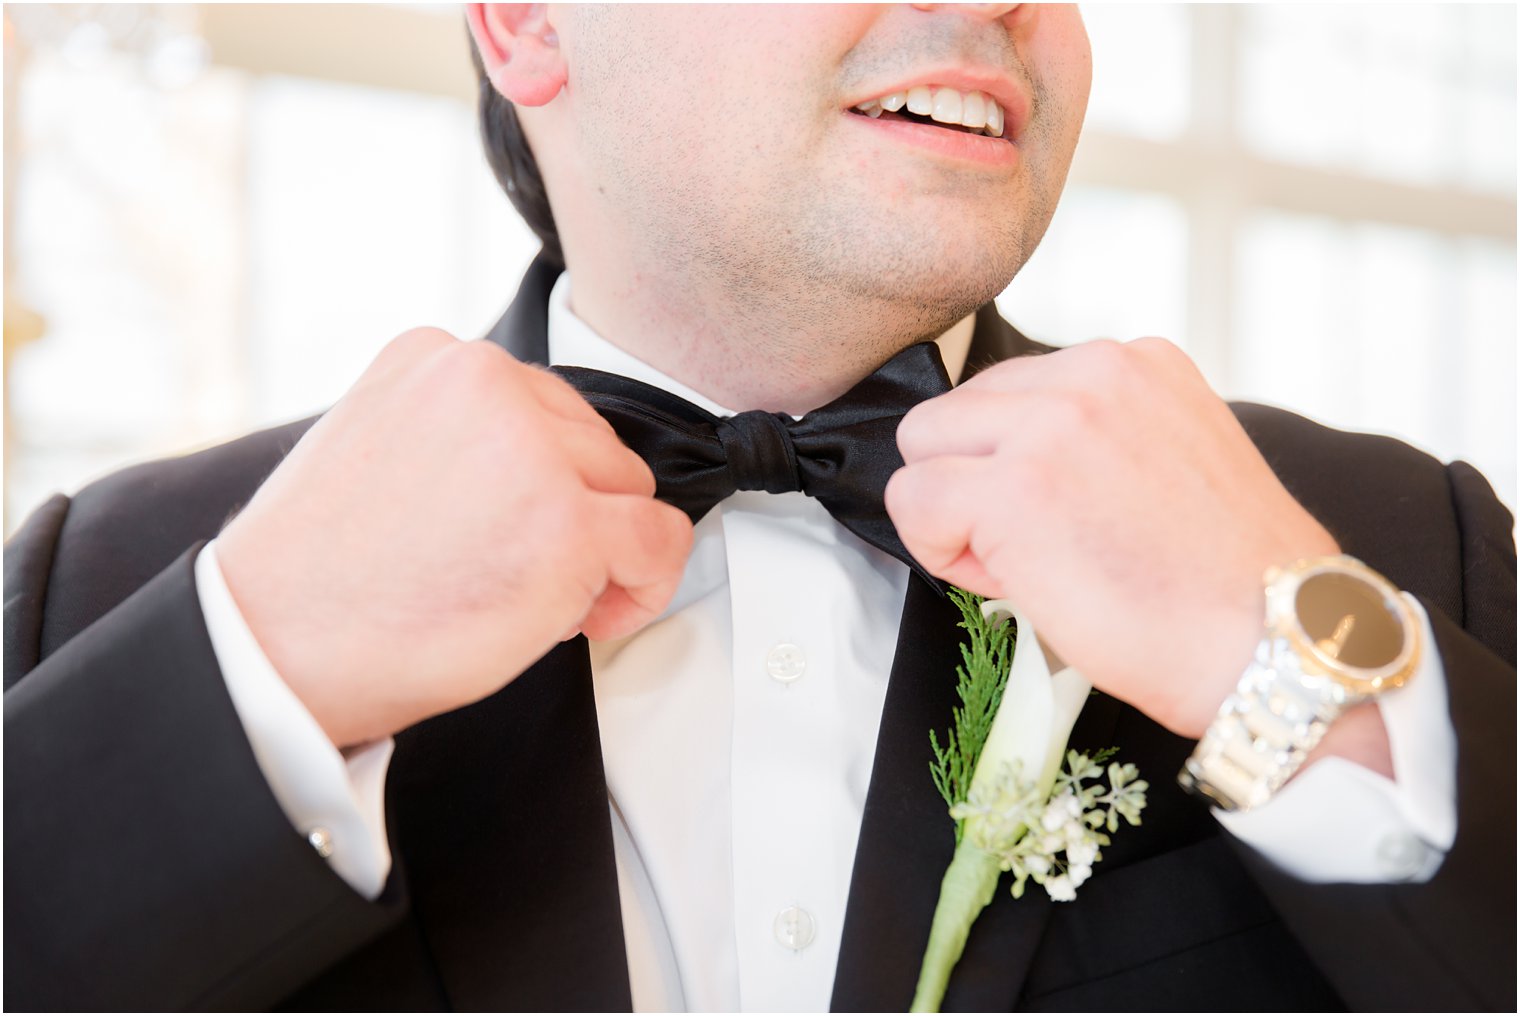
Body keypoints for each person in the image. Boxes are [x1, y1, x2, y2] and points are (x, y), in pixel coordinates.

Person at [4, 4, 1514, 1011]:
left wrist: (1300, 679)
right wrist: (251, 685)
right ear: (529, 20)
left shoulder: (1389, 554)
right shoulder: (116, 593)